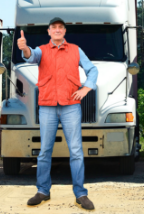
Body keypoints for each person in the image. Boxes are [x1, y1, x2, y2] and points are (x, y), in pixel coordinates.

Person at [17, 17, 98, 210]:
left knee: (76, 151)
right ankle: (43, 191)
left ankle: (80, 194)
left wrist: (87, 88)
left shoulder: (76, 50)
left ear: (64, 32)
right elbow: (31, 55)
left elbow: (92, 70)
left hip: (71, 105)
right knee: (45, 150)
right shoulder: (42, 50)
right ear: (48, 31)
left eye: (60, 27)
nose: (57, 30)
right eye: (54, 27)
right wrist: (24, 48)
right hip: (47, 105)